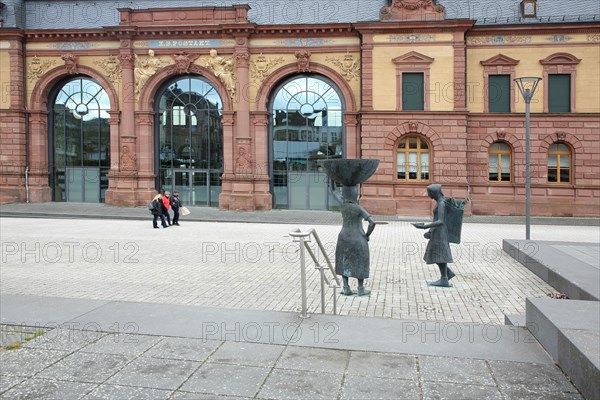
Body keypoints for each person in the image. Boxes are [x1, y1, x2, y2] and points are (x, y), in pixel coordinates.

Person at [331, 183, 376, 296]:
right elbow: (372, 222)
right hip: (358, 238)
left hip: (344, 236)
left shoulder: (342, 204)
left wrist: (331, 176)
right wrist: (367, 235)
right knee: (361, 261)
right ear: (355, 195)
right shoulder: (358, 208)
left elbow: (333, 190)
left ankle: (346, 287)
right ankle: (360, 288)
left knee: (344, 260)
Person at [412, 184, 456, 287]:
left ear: (434, 192)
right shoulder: (439, 202)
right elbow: (436, 219)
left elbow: (440, 221)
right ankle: (447, 274)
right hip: (437, 232)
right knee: (435, 253)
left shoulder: (441, 204)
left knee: (439, 254)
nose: (428, 194)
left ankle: (444, 279)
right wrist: (431, 231)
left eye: (429, 192)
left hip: (441, 233)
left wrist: (424, 226)